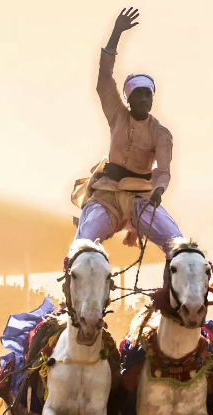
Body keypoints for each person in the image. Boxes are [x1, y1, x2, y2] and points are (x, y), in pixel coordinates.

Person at [74, 7, 182, 252]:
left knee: (180, 247)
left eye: (148, 94)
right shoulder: (117, 116)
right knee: (82, 246)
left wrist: (158, 191)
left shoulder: (161, 133)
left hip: (142, 199)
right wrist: (116, 34)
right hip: (107, 196)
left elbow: (163, 170)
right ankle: (73, 287)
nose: (144, 99)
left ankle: (177, 290)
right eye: (139, 94)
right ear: (129, 98)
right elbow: (104, 79)